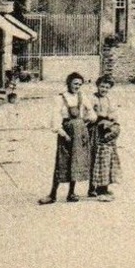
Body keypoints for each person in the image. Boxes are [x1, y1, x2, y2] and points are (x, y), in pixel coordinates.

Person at [42, 72, 94, 204]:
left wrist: (84, 123)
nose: (77, 86)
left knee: (76, 162)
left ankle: (71, 193)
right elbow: (55, 117)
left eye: (80, 84)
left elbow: (92, 113)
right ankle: (52, 194)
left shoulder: (82, 96)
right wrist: (63, 133)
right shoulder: (60, 98)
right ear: (69, 83)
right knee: (62, 162)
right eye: (75, 83)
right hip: (66, 134)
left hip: (80, 133)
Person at [89, 74, 122, 201]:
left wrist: (110, 120)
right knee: (95, 158)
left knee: (107, 159)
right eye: (102, 86)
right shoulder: (92, 98)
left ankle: (103, 187)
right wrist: (101, 117)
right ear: (97, 86)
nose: (104, 89)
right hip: (95, 130)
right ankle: (92, 187)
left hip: (106, 130)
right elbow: (90, 114)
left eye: (107, 87)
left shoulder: (108, 100)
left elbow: (113, 114)